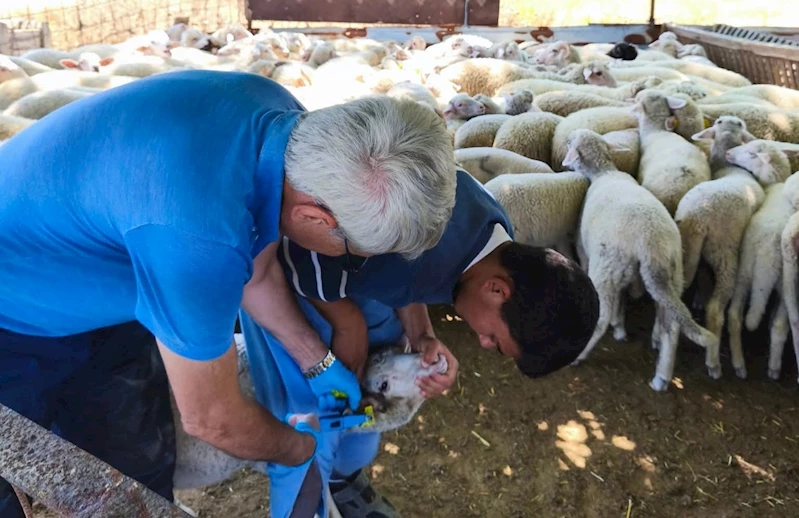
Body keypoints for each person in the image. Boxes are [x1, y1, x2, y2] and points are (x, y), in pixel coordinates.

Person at [0, 70, 457, 518]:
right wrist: (298, 451)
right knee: (9, 481)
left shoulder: (283, 123)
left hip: (109, 287)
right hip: (12, 319)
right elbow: (210, 417)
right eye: (354, 255)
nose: (349, 260)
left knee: (134, 475)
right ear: (314, 218)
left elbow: (258, 274)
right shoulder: (200, 239)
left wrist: (318, 363)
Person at [240, 168, 600, 518]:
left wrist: (422, 333)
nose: (483, 342)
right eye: (494, 337)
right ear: (496, 290)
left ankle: (340, 480)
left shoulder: (492, 237)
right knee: (311, 413)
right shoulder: (412, 228)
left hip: (361, 286)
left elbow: (410, 269)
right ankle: (307, 496)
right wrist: (348, 325)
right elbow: (299, 247)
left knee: (358, 416)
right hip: (295, 293)